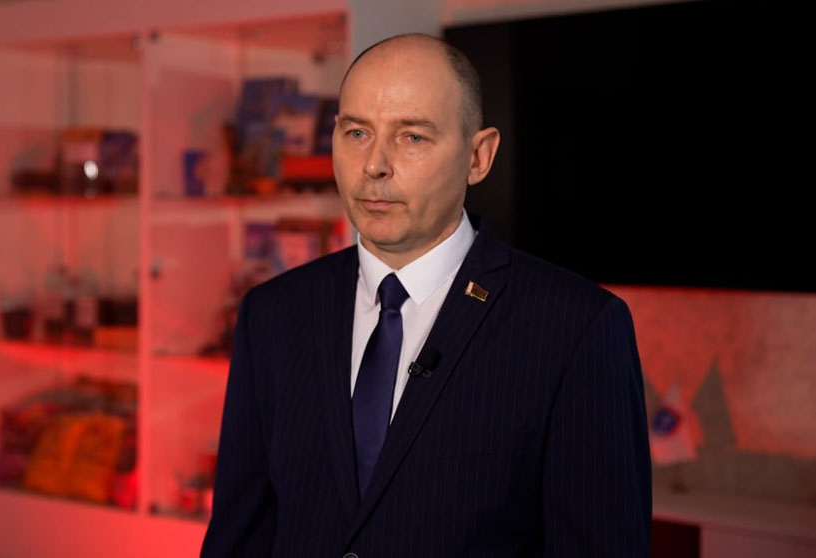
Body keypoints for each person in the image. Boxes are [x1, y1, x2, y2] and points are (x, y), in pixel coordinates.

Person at [201, 33, 651, 557]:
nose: (374, 165)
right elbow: (241, 536)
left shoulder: (576, 328)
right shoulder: (273, 314)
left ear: (478, 157)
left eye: (412, 137)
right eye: (356, 133)